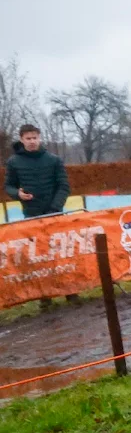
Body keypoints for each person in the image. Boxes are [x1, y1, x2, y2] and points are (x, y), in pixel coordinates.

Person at [4, 124, 75, 306]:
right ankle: (45, 296)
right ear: (22, 139)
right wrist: (17, 194)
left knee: (62, 254)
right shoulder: (13, 162)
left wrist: (55, 207)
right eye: (28, 138)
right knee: (39, 257)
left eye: (35, 137)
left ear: (40, 138)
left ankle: (71, 291)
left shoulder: (53, 160)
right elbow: (9, 186)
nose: (32, 141)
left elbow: (64, 186)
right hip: (31, 214)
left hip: (55, 213)